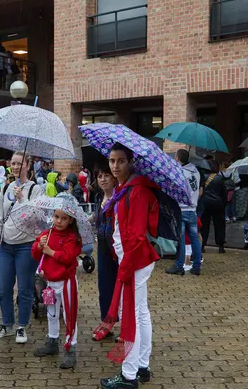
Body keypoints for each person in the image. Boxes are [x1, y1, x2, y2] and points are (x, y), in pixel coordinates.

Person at [96, 143, 159, 389]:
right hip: (133, 260)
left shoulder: (136, 191)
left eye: (120, 161)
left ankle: (129, 375)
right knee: (140, 312)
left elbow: (135, 236)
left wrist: (125, 268)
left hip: (134, 261)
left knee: (130, 316)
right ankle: (142, 365)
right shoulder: (125, 189)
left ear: (130, 162)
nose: (114, 166)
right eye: (112, 160)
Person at [0, 152, 45, 344]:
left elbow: (38, 217)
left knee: (25, 288)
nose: (15, 167)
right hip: (6, 245)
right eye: (12, 163)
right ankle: (7, 324)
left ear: (27, 166)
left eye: (19, 164)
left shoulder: (35, 189)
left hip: (26, 246)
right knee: (4, 288)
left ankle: (22, 326)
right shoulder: (6, 188)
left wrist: (22, 199)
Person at [31, 201, 82, 369]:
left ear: (71, 221)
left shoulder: (72, 238)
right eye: (56, 217)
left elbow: (68, 257)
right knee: (51, 314)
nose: (59, 221)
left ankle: (70, 348)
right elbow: (35, 253)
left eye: (64, 218)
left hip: (66, 282)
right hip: (49, 283)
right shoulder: (48, 233)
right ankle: (52, 341)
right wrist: (39, 245)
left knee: (69, 316)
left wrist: (50, 252)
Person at [91, 161, 118, 340]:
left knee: (121, 287)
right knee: (104, 286)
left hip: (118, 248)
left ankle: (125, 327)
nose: (103, 179)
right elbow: (96, 219)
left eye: (106, 175)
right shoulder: (99, 198)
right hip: (102, 246)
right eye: (100, 176)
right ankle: (106, 322)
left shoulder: (119, 197)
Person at [167, 149, 204, 275]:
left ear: (177, 158)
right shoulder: (196, 172)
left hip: (182, 209)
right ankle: (197, 266)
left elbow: (175, 190)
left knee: (181, 239)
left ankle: (179, 266)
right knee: (194, 239)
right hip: (193, 209)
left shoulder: (180, 173)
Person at [200, 160, 227, 254]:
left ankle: (202, 245)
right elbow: (224, 193)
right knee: (219, 225)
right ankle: (220, 245)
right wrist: (224, 204)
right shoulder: (219, 178)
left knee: (204, 225)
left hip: (205, 203)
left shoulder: (202, 177)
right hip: (218, 204)